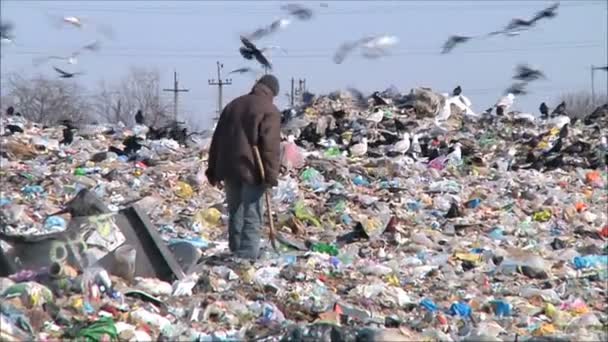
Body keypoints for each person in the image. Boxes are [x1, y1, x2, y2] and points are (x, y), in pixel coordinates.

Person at [206, 74, 281, 260]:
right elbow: (270, 147)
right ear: (272, 92)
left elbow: (216, 139)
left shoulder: (233, 105)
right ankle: (247, 255)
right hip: (253, 169)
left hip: (229, 168)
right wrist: (271, 175)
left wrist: (212, 169)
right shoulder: (269, 110)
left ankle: (236, 249)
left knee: (235, 211)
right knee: (252, 212)